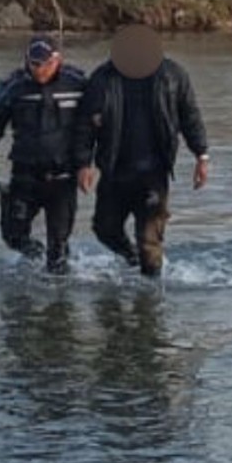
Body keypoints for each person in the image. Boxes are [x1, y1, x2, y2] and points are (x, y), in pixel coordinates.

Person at [73, 25, 210, 278]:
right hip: (114, 171)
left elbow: (190, 116)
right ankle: (131, 258)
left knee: (149, 242)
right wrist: (83, 164)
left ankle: (151, 297)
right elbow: (84, 124)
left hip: (154, 173)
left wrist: (201, 156)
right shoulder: (102, 78)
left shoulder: (173, 75)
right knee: (105, 229)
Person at [0, 35, 87, 274]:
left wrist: (90, 163)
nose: (39, 71)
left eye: (45, 64)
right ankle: (35, 257)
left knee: (58, 255)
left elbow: (100, 122)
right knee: (13, 236)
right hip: (26, 174)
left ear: (58, 60)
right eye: (34, 64)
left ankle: (58, 291)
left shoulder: (77, 84)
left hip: (63, 177)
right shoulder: (14, 87)